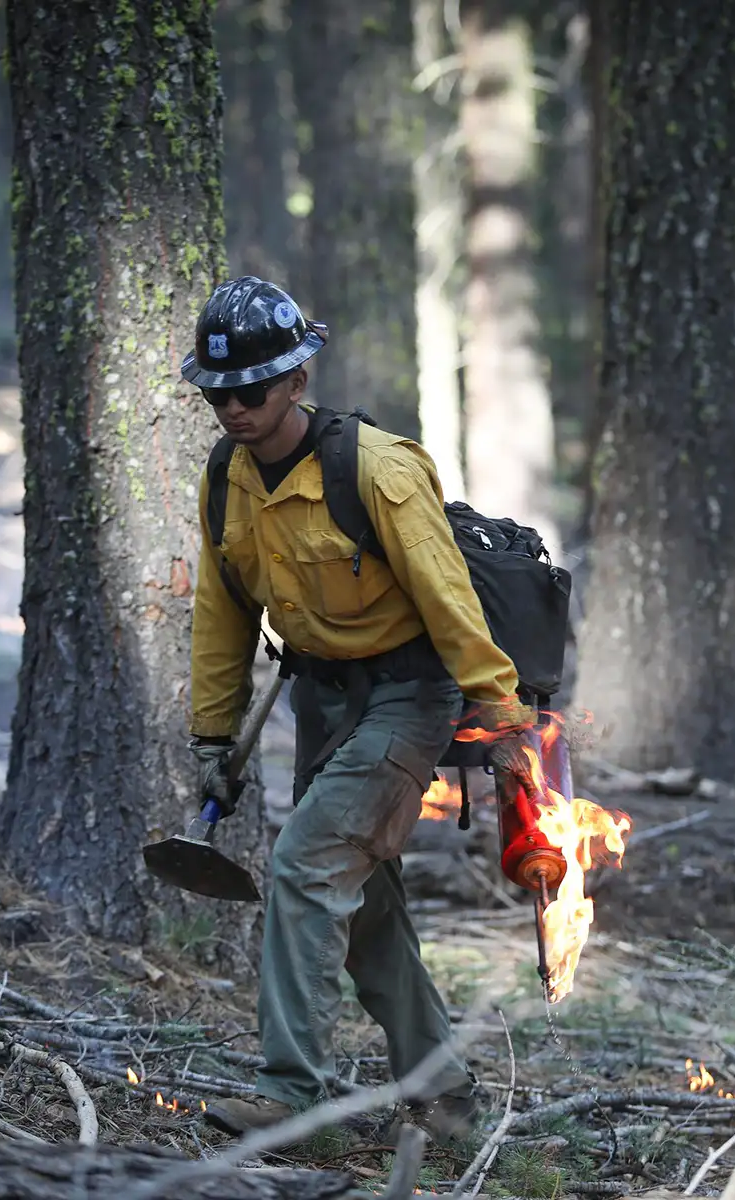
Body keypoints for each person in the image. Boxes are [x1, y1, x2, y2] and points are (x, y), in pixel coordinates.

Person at [181, 277, 532, 1139]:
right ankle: (445, 1096)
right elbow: (221, 610)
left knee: (305, 866)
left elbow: (451, 599)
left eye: (251, 390)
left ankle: (290, 1090)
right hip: (322, 700)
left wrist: (504, 717)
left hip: (412, 697)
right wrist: (211, 731)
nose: (233, 407)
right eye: (218, 392)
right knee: (362, 902)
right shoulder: (226, 478)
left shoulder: (375, 469)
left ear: (297, 381)